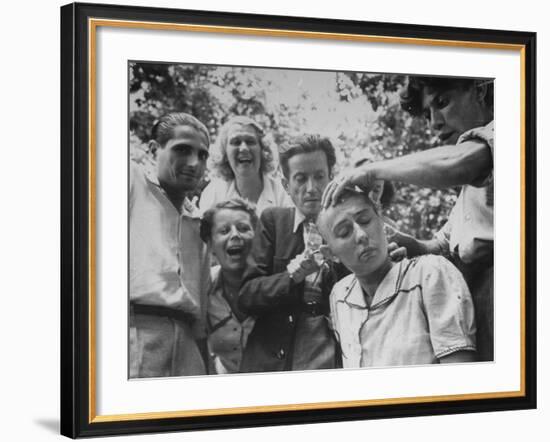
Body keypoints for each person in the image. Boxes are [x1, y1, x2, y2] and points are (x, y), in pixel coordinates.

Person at [322, 76, 494, 361]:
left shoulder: (512, 131)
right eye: (427, 114)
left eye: (442, 103)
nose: (434, 122)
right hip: (480, 299)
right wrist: (405, 242)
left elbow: (456, 163)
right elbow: (440, 245)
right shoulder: (468, 195)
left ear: (479, 90)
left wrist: (373, 170)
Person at [317, 187, 477, 367]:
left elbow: (459, 375)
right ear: (330, 254)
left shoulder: (429, 274)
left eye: (365, 220)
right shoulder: (340, 295)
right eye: (345, 232)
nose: (361, 235)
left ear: (383, 223)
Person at [238, 135, 348, 373]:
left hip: (331, 350)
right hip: (274, 355)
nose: (311, 188)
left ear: (331, 178)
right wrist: (290, 276)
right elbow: (247, 296)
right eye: (301, 178)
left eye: (319, 176)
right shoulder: (273, 221)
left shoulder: (349, 226)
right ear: (286, 186)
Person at [129, 112, 211, 378]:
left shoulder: (200, 222)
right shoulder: (132, 183)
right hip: (138, 332)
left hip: (188, 344)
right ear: (154, 149)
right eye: (182, 150)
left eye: (202, 155)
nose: (193, 162)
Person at [199, 198, 258, 374]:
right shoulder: (203, 288)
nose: (235, 235)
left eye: (243, 228)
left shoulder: (276, 283)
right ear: (210, 245)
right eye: (224, 230)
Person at [200, 116, 292, 216]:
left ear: (263, 151)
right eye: (236, 142)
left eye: (250, 141)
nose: (244, 148)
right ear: (225, 153)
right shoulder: (213, 193)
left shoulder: (283, 194)